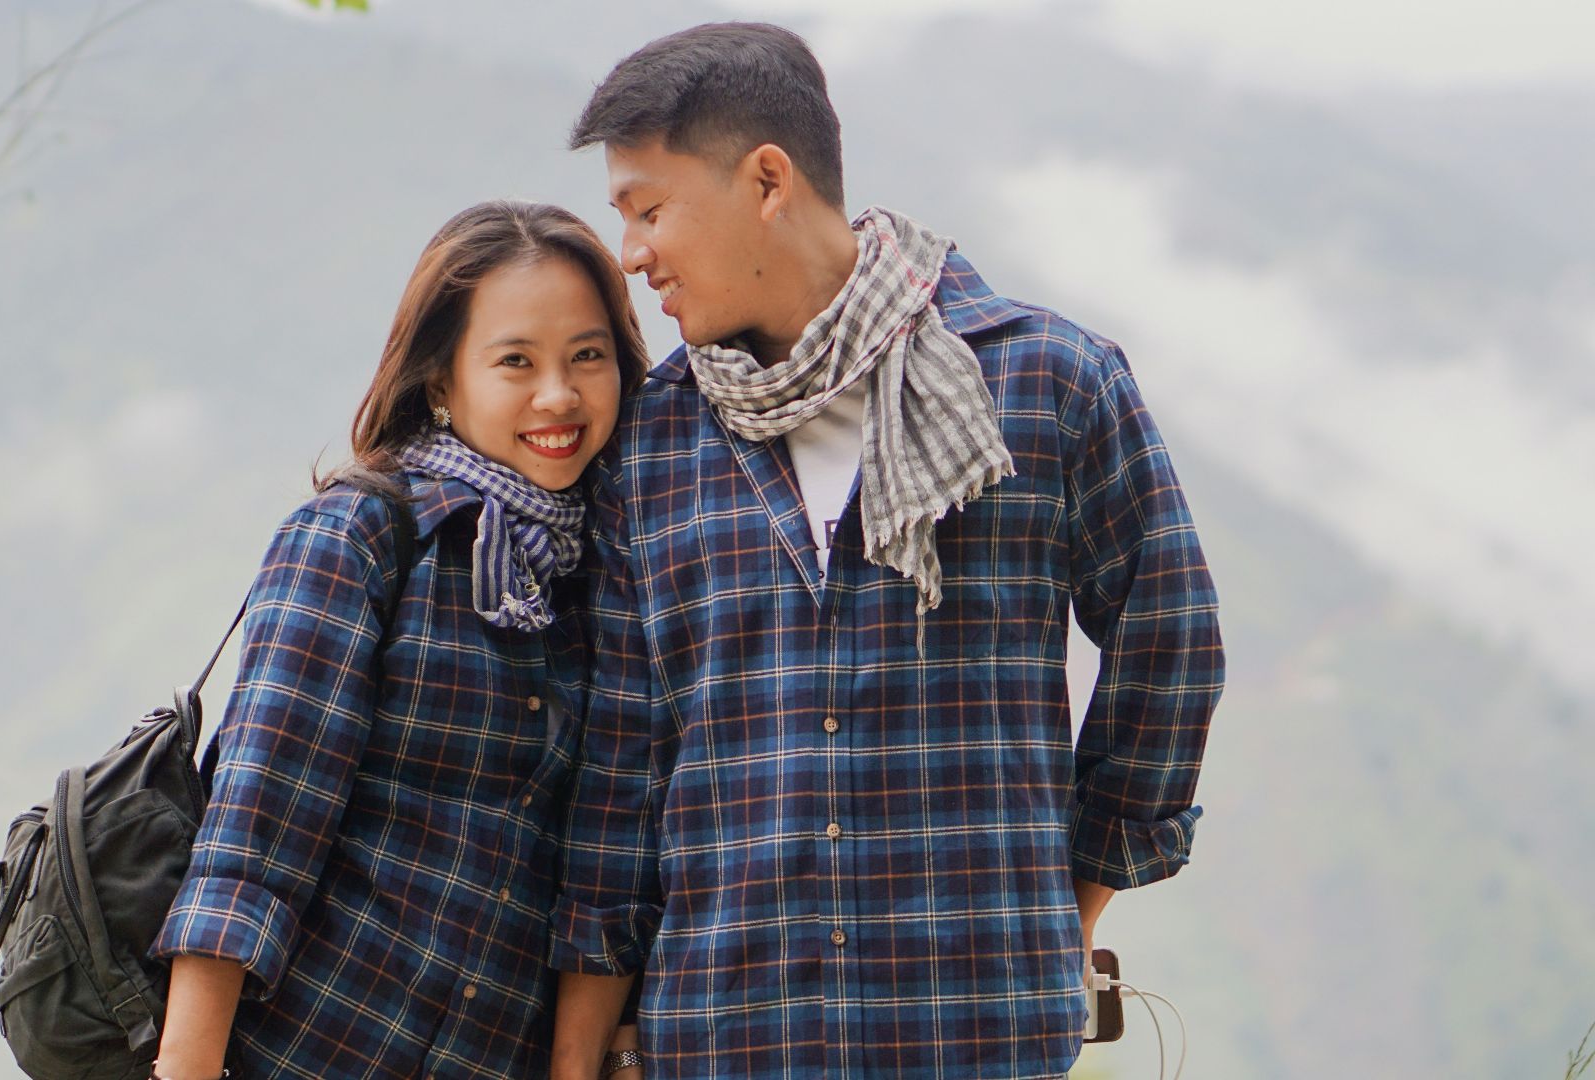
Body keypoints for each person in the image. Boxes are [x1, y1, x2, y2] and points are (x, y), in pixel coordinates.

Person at [549, 23, 1225, 1080]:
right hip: (728, 1043)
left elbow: (1171, 643)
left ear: (767, 181)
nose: (631, 253)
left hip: (979, 1037)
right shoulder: (657, 442)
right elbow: (623, 772)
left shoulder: (1042, 383)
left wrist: (1067, 899)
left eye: (649, 209)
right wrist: (577, 1054)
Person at [146, 200, 648, 1080]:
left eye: (587, 356)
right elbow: (257, 834)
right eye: (516, 361)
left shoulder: (612, 583)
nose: (559, 395)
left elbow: (604, 881)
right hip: (296, 1054)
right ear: (442, 381)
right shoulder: (361, 538)